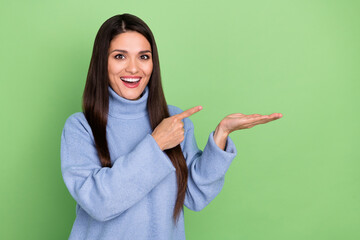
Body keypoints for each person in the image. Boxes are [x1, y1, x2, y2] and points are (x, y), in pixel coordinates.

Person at [60, 13, 282, 240]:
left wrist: (221, 134)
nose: (134, 68)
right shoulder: (80, 127)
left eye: (143, 57)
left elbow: (194, 196)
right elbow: (99, 203)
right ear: (101, 62)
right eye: (120, 56)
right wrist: (156, 144)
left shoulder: (174, 120)